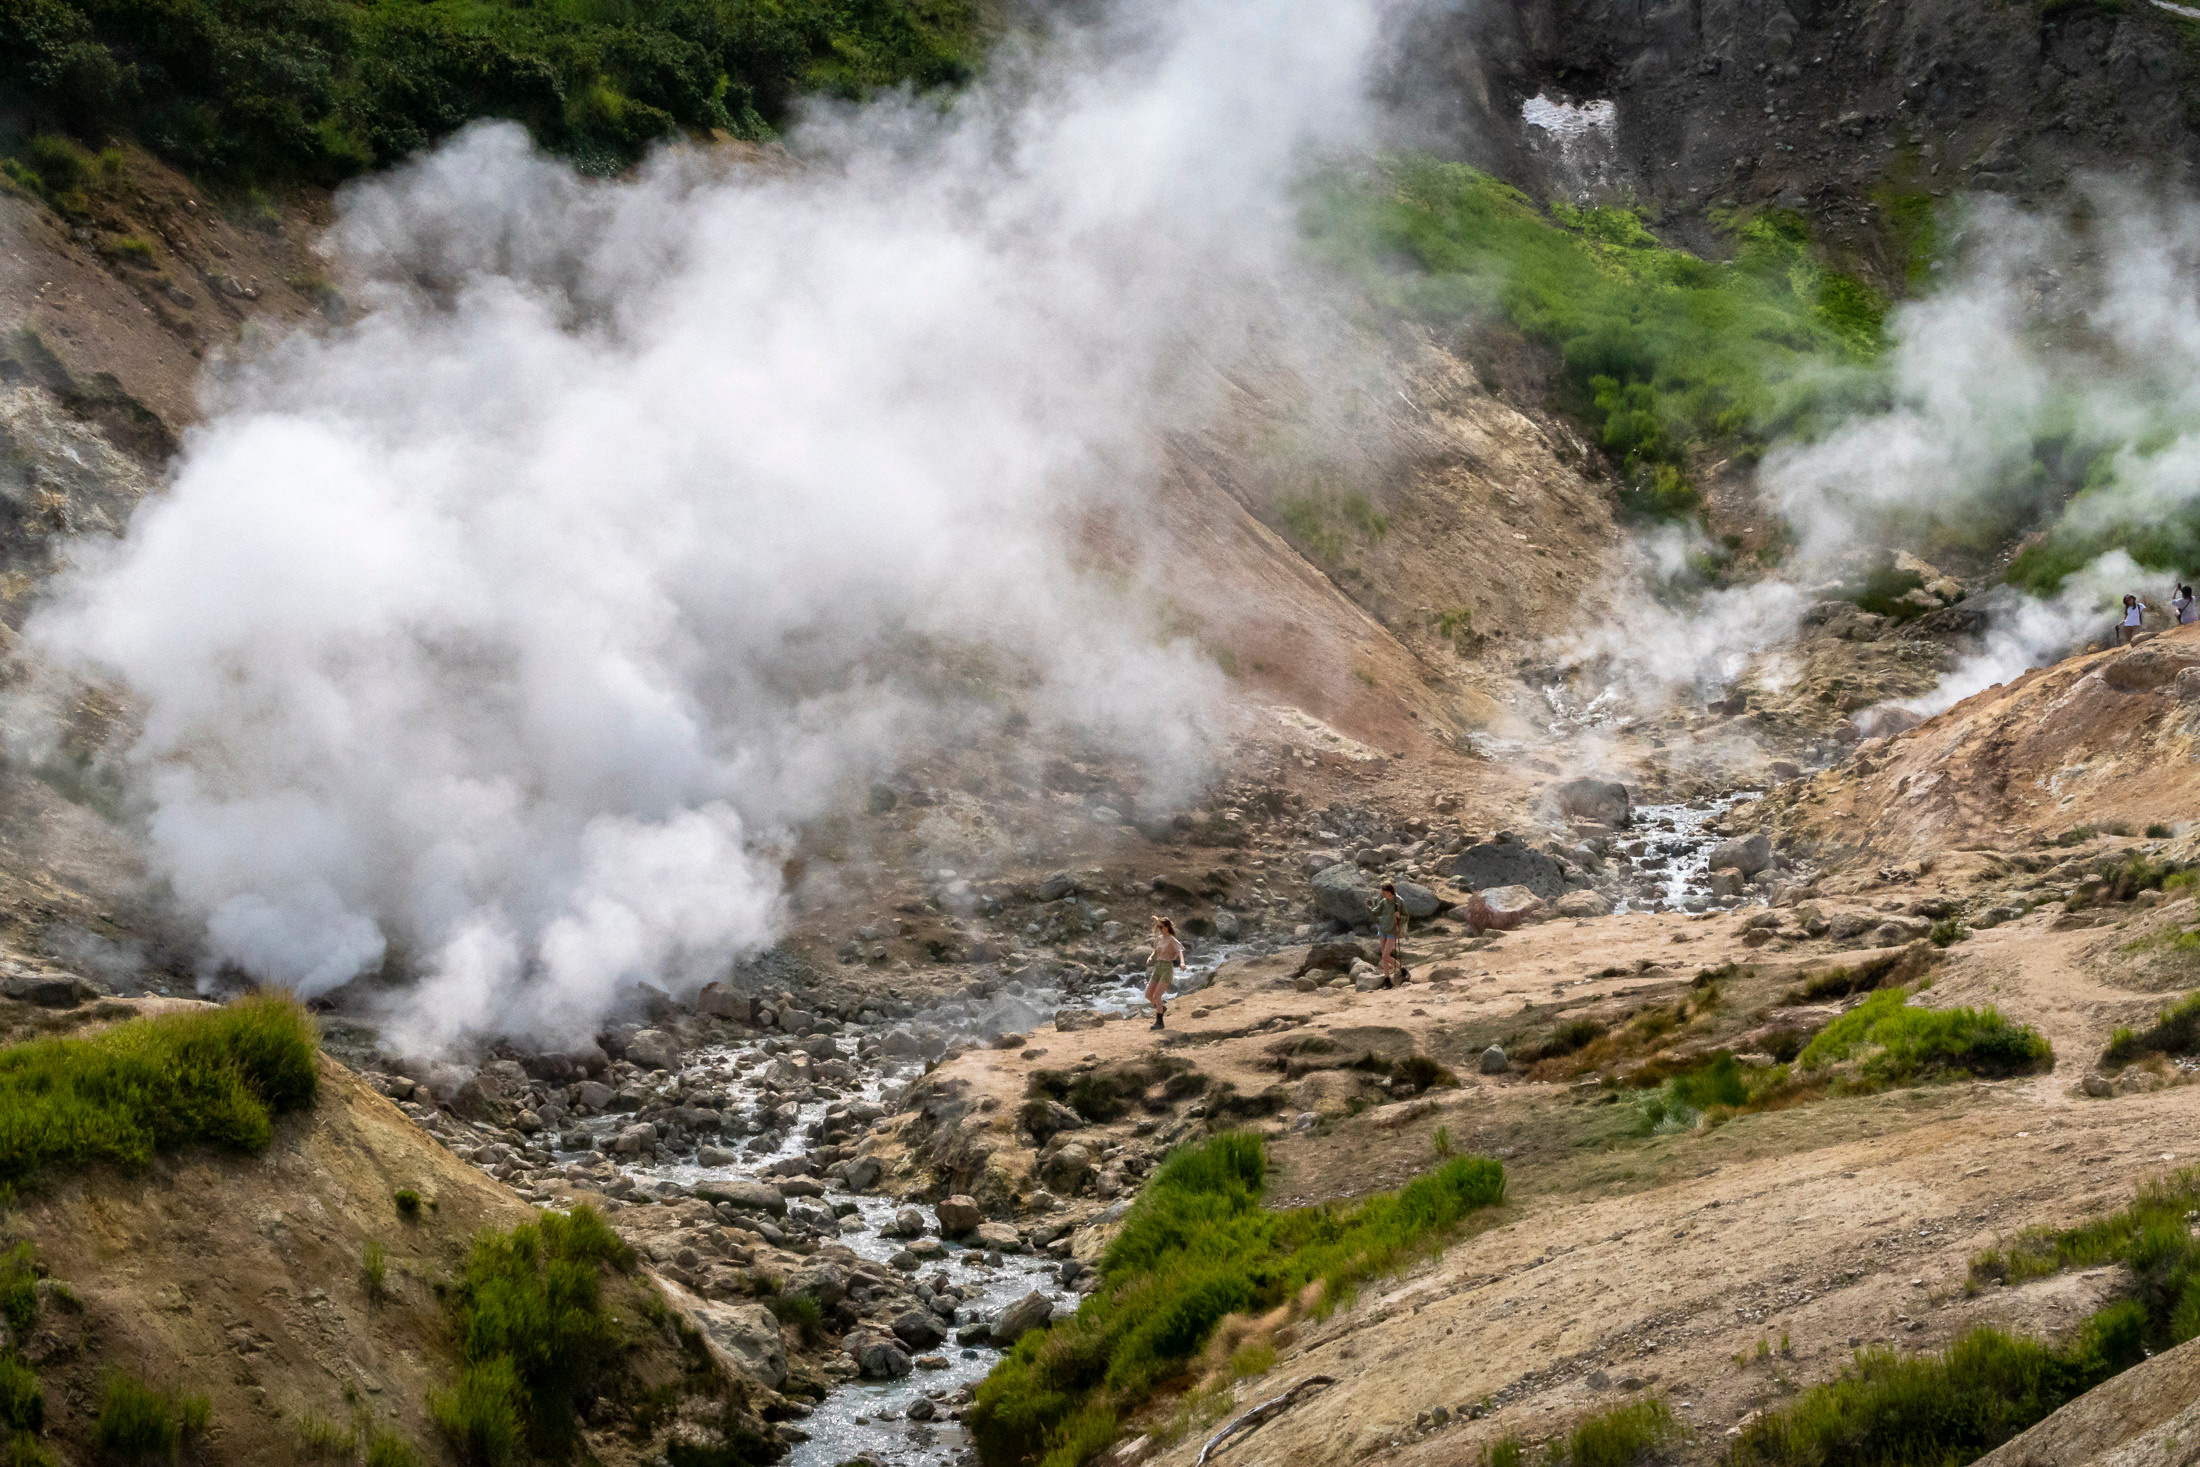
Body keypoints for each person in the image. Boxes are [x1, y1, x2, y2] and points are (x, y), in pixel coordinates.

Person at [1146, 917, 1183, 1030]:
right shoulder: (1159, 939)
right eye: (1158, 927)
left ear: (1167, 927)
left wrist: (1182, 962)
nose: (1159, 929)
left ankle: (1160, 1022)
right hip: (1158, 967)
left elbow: (1180, 950)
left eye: (1161, 927)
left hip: (1167, 968)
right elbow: (1155, 950)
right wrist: (1151, 956)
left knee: (1157, 995)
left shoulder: (1171, 939)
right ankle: (1161, 1007)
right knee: (1148, 995)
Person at [1370, 881, 1408, 987]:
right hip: (1382, 930)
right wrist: (1368, 907)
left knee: (1386, 955)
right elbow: (1375, 912)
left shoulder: (1399, 901)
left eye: (1384, 893)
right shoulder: (1383, 901)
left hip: (1392, 931)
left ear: (1390, 892)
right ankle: (1387, 980)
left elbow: (1406, 917)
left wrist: (1399, 916)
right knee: (1384, 957)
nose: (1383, 895)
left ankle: (1403, 970)